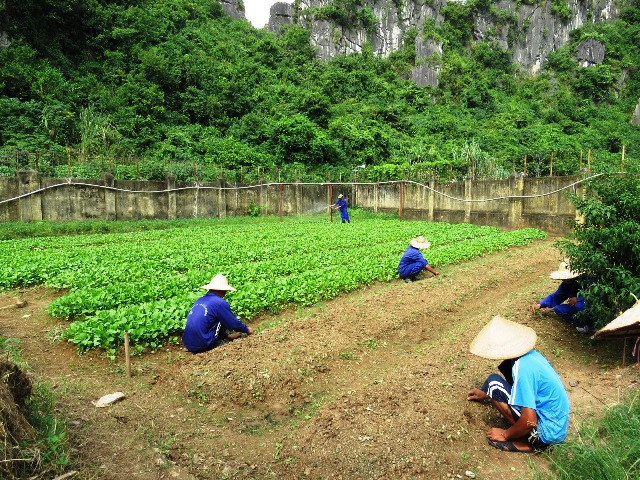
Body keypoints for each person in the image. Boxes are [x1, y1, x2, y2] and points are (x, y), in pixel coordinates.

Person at [467, 315, 570, 453]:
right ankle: (527, 435)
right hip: (558, 430)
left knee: (493, 383)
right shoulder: (532, 356)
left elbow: (530, 420)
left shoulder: (522, 368)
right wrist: (487, 394)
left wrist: (505, 434)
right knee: (495, 382)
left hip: (544, 435)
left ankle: (527, 441)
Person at [182, 274, 253, 354]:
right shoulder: (219, 303)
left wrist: (226, 336)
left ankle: (224, 337)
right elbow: (233, 324)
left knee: (215, 317)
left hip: (188, 343)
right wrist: (246, 329)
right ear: (223, 290)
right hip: (204, 344)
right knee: (224, 317)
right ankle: (216, 343)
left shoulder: (200, 300)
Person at [530, 261, 590, 333]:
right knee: (559, 309)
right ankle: (584, 323)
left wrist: (578, 299)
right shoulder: (567, 284)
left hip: (587, 307)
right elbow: (557, 296)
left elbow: (594, 296)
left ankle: (590, 322)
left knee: (579, 306)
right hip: (577, 308)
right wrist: (541, 304)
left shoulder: (587, 280)